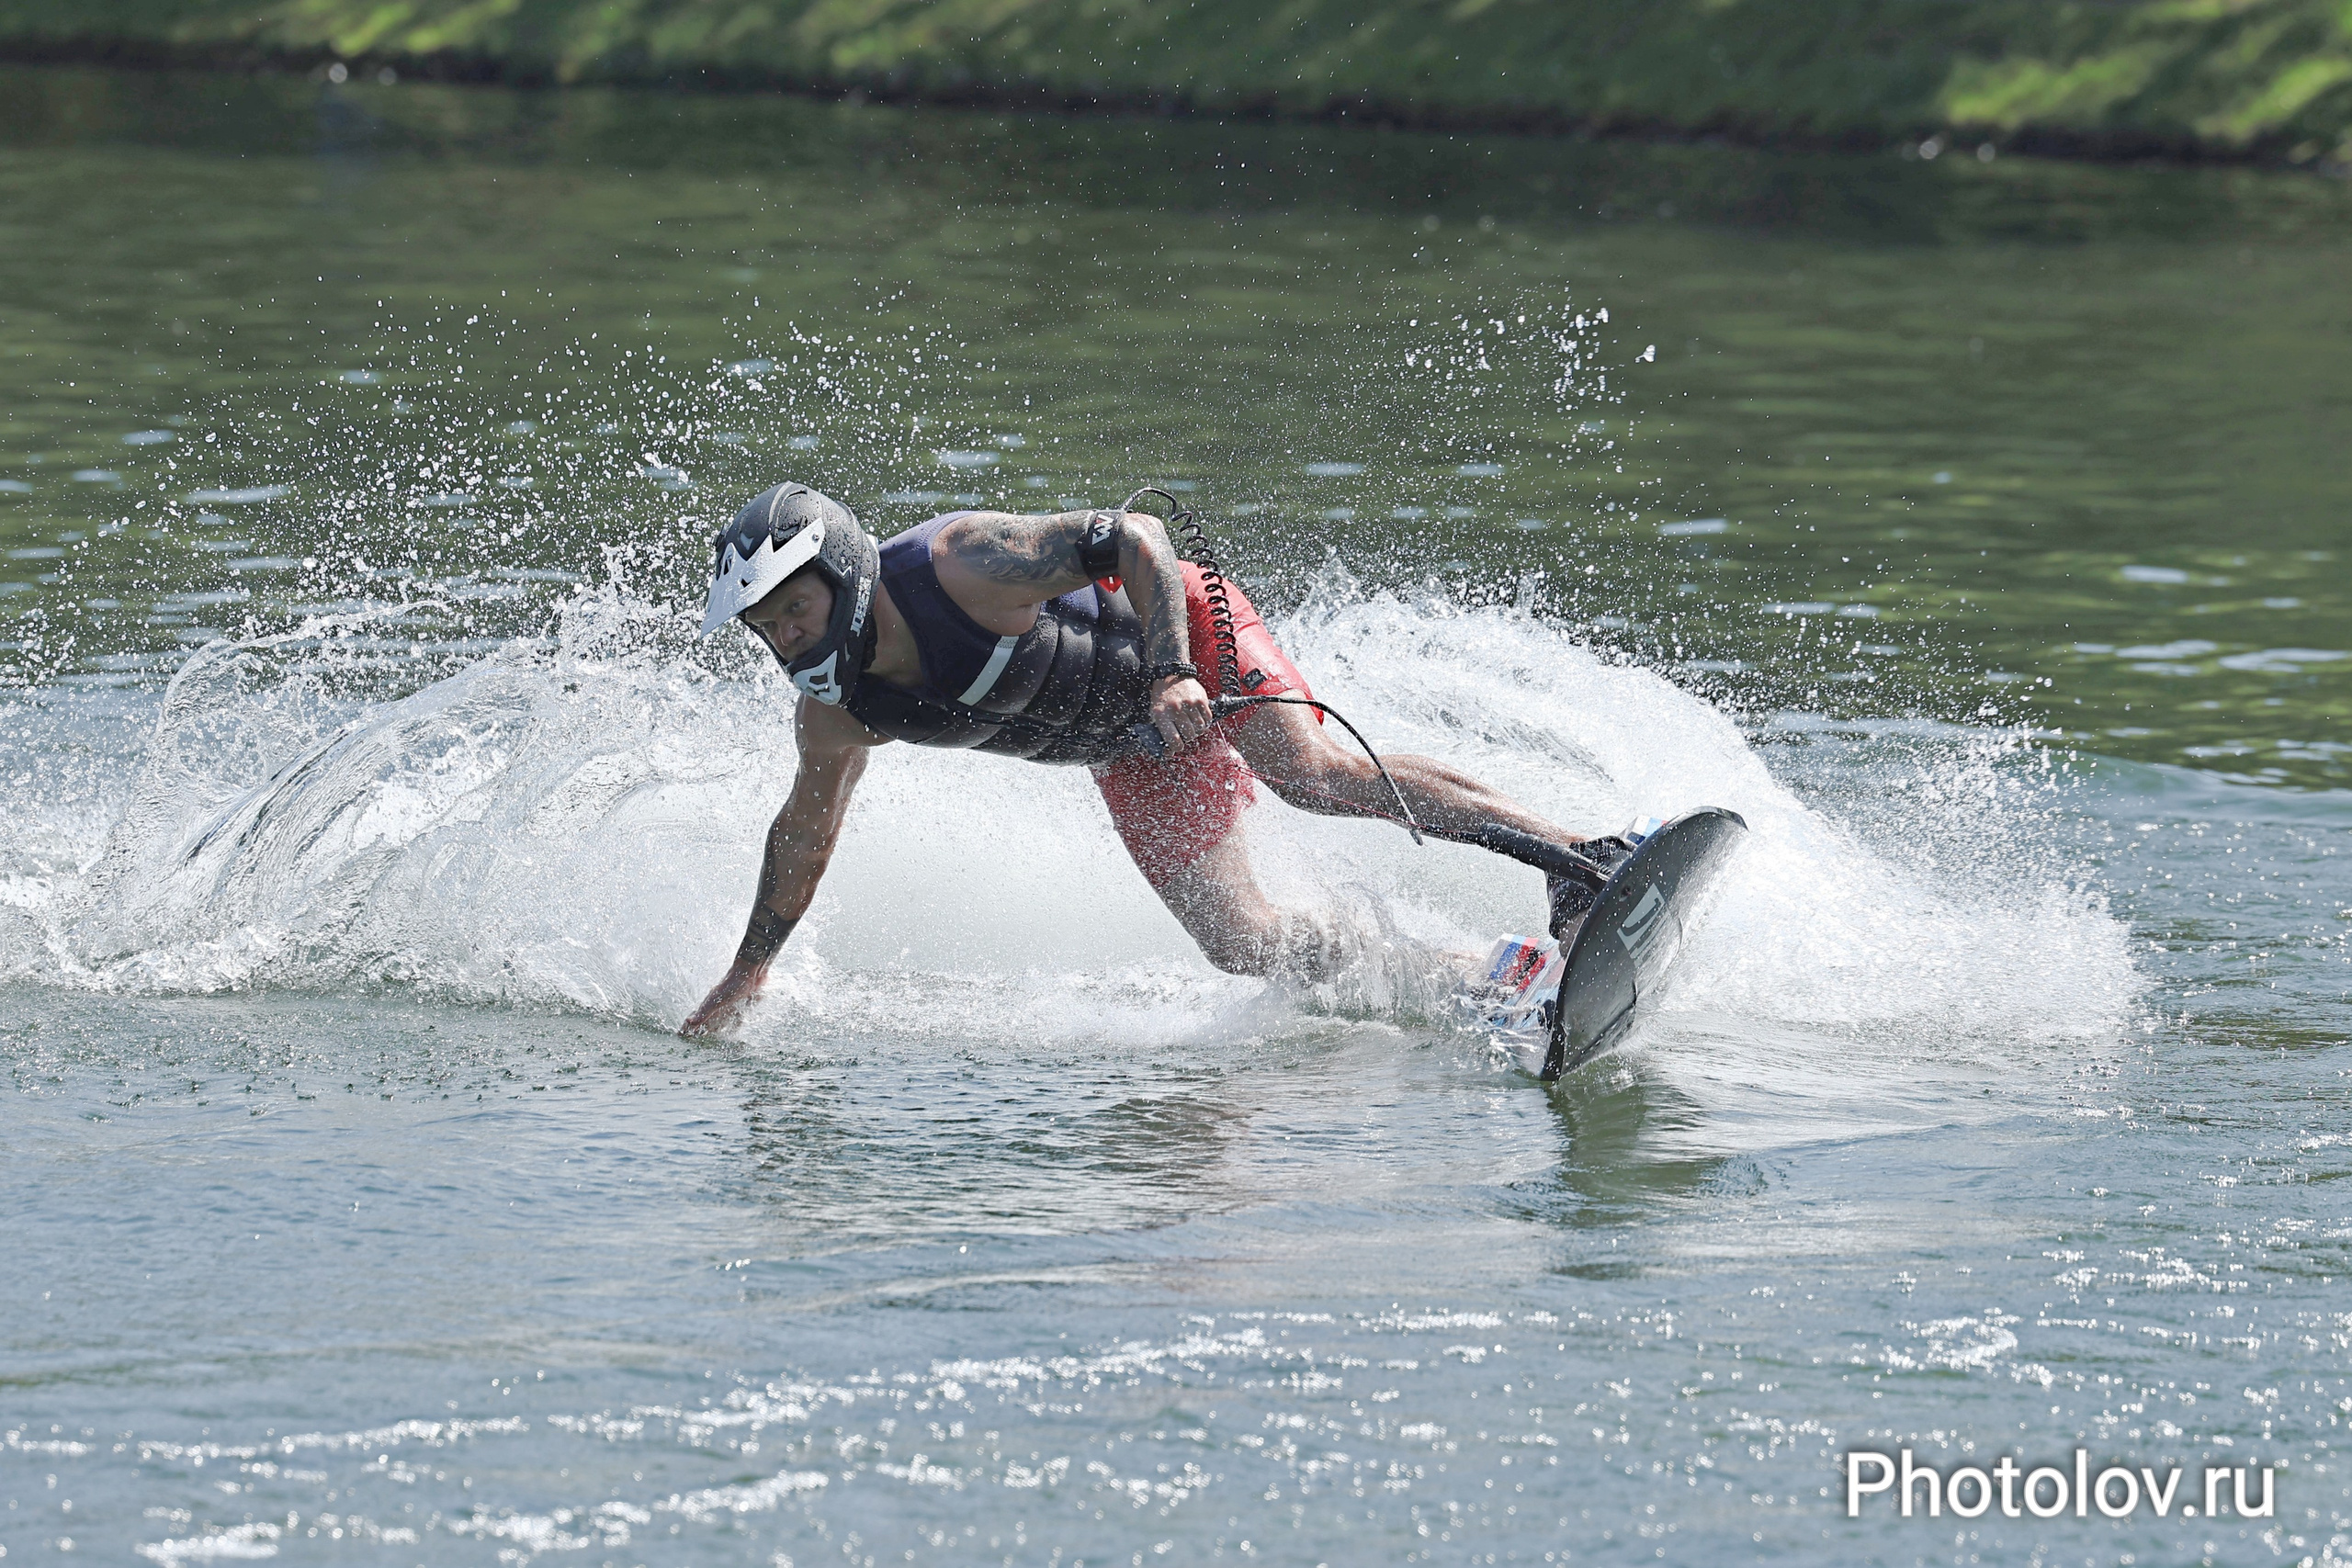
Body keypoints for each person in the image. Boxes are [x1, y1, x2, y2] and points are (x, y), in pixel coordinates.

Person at [680, 480, 1610, 1037]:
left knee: (1310, 777)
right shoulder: (835, 715)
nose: (785, 639)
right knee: (1242, 941)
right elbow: (806, 833)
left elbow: (1136, 538)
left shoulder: (961, 565)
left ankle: (1585, 858)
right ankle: (1498, 981)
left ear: (841, 574)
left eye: (793, 610)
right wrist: (749, 970)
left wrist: (1170, 670)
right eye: (764, 628)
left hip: (1180, 642)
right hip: (1132, 747)